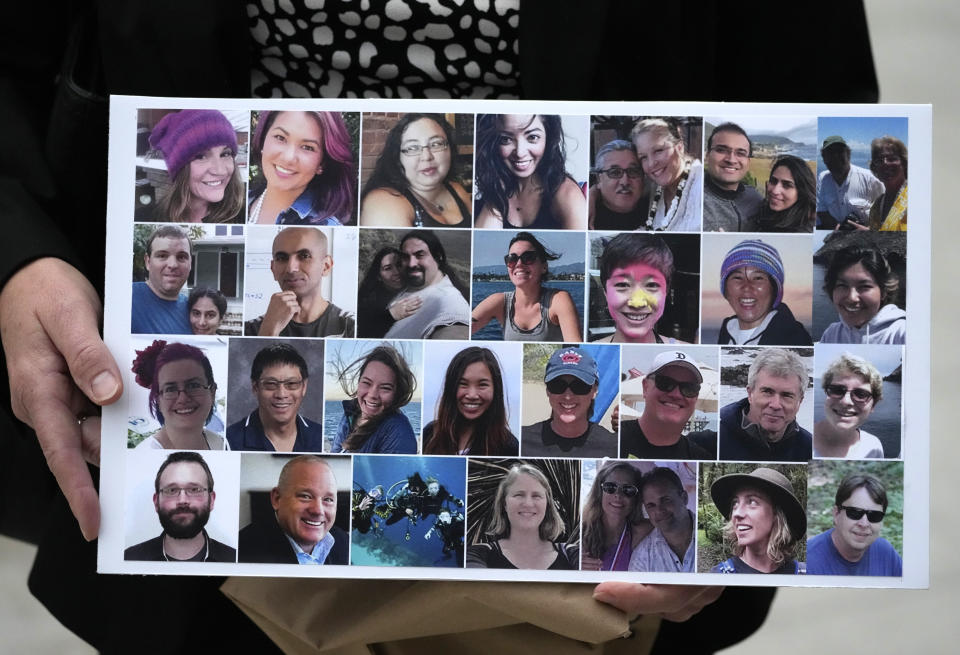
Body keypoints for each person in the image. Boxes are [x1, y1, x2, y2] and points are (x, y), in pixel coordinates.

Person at [0, 3, 881, 651]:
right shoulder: (316, 369)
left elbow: (803, 70)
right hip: (201, 579)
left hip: (591, 606)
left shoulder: (550, 386)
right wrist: (23, 257)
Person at [475, 114, 586, 230]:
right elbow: (483, 245)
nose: (520, 153)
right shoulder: (493, 188)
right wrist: (495, 199)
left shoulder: (569, 195)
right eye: (506, 139)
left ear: (548, 138)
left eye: (532, 137)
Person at [360, 113, 471, 227]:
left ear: (450, 149)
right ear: (397, 157)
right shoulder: (383, 203)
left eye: (436, 144)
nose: (426, 156)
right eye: (412, 148)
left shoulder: (457, 189)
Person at [247, 111, 356, 225]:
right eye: (280, 137)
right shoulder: (240, 203)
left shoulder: (329, 227)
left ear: (322, 164)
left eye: (307, 147)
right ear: (263, 139)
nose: (288, 158)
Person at [244, 227, 355, 337]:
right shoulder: (250, 330)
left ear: (326, 266)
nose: (291, 269)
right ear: (273, 269)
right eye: (282, 258)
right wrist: (268, 332)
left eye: (304, 256)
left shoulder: (351, 326)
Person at [125, 451, 236, 562]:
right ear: (156, 502)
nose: (183, 500)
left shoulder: (233, 559)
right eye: (172, 490)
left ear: (211, 500)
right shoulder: (129, 558)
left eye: (194, 489)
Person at [471, 231, 582, 342]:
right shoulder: (499, 302)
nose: (518, 264)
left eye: (528, 257)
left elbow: (575, 347)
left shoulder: (558, 300)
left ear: (544, 267)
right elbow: (462, 327)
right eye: (512, 259)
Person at [238, 456, 348, 565]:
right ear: (277, 499)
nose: (318, 510)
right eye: (305, 496)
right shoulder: (243, 552)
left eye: (328, 499)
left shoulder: (344, 541)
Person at [466, 463, 577, 569]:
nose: (528, 503)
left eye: (536, 496)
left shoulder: (572, 554)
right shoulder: (478, 554)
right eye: (519, 495)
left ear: (547, 504)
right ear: (504, 503)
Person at [141, 109, 244, 224]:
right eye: (201, 157)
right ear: (179, 168)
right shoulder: (147, 218)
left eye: (225, 154)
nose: (220, 171)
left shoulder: (245, 217)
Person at [130, 340, 226, 450]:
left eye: (193, 386)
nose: (183, 398)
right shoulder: (146, 453)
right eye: (170, 389)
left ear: (212, 392)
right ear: (158, 400)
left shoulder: (221, 444)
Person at [521, 346, 617, 458]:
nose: (568, 396)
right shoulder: (522, 441)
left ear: (594, 391)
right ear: (548, 390)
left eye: (579, 386)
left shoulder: (613, 447)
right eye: (558, 386)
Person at [422, 346, 519, 456]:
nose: (472, 395)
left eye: (482, 385)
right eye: (463, 384)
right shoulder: (430, 434)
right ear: (451, 387)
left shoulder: (509, 446)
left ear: (495, 389)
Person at [718, 348, 812, 462]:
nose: (776, 405)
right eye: (767, 392)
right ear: (750, 393)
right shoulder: (715, 439)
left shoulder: (810, 448)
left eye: (786, 395)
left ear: (800, 401)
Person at [620, 350, 716, 460]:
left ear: (696, 397)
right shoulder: (614, 441)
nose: (676, 394)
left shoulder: (701, 458)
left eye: (689, 388)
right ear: (645, 387)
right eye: (665, 383)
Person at [226, 344, 323, 452]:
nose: (281, 394)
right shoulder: (228, 442)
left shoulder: (321, 437)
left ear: (304, 387)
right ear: (255, 387)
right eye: (271, 384)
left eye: (291, 383)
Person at [709, 467, 806, 574]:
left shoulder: (804, 574)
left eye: (752, 502)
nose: (737, 513)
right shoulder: (719, 576)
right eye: (735, 504)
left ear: (777, 514)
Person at [717, 239, 813, 346]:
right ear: (725, 289)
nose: (747, 287)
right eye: (738, 278)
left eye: (758, 278)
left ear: (775, 288)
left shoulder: (796, 340)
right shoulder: (725, 333)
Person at [594, 232, 686, 344]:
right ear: (605, 292)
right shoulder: (588, 353)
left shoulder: (688, 356)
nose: (637, 303)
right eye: (622, 285)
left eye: (651, 285)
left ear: (666, 292)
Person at [807, 472, 902, 576]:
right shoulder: (809, 562)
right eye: (854, 513)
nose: (864, 524)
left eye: (875, 515)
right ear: (836, 514)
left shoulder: (886, 554)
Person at [383, 231, 471, 339]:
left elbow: (455, 332)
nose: (411, 263)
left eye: (420, 255)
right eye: (406, 257)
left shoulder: (450, 302)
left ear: (438, 257)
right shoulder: (402, 285)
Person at [331, 345, 418, 454]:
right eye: (367, 383)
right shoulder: (349, 414)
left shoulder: (398, 431)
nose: (372, 394)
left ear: (397, 394)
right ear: (358, 382)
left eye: (385, 388)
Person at [820, 245, 906, 344]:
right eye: (842, 285)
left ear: (884, 292)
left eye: (864, 286)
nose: (852, 298)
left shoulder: (902, 333)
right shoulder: (832, 333)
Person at [629, 118, 702, 232]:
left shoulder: (703, 184)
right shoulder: (652, 186)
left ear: (679, 147)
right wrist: (594, 193)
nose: (652, 163)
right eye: (643, 157)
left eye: (658, 151)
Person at [581, 462, 652, 571]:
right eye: (610, 487)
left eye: (628, 489)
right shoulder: (580, 532)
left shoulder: (644, 532)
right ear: (600, 492)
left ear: (636, 498)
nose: (618, 495)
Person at [813, 353, 885, 458]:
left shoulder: (874, 447)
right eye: (837, 390)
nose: (846, 401)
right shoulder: (804, 440)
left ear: (873, 405)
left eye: (861, 394)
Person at [629, 467, 696, 573]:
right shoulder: (642, 557)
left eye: (666, 500)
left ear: (684, 498)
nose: (659, 510)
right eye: (651, 505)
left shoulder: (714, 536)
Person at [131, 225, 193, 334]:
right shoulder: (124, 298)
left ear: (190, 263)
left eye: (182, 257)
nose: (173, 265)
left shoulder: (194, 310)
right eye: (162, 256)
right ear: (148, 262)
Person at [702, 122, 763, 232]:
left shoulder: (756, 199)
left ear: (748, 162)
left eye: (740, 153)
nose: (731, 160)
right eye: (721, 150)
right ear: (707, 156)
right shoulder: (693, 200)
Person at [816, 135, 884, 230]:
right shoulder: (822, 178)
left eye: (840, 151)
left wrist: (868, 230)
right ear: (824, 158)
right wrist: (840, 229)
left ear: (848, 154)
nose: (835, 156)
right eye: (830, 152)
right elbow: (821, 210)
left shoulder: (871, 179)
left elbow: (887, 215)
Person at [356, 246, 421, 338]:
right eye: (388, 268)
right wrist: (391, 315)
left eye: (399, 265)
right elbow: (363, 334)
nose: (396, 272)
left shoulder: (417, 285)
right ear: (378, 276)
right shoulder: (367, 303)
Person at [588, 140, 649, 230]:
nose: (625, 181)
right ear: (599, 179)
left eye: (633, 171)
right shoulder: (586, 218)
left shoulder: (656, 210)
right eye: (615, 172)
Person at [750, 155, 816, 233]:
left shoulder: (804, 232)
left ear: (802, 192)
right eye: (773, 181)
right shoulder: (761, 212)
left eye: (787, 185)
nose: (775, 191)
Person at [867, 136, 908, 231]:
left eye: (892, 159)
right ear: (874, 167)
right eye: (879, 160)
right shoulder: (875, 207)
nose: (885, 163)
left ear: (904, 163)